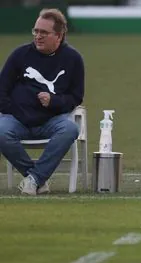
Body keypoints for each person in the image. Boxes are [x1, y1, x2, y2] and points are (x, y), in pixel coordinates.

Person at [0, 8, 84, 195]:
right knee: (1, 130)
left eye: (44, 33)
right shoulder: (20, 55)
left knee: (70, 129)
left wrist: (54, 101)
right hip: (17, 119)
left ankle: (34, 179)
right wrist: (14, 111)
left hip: (51, 121)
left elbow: (76, 96)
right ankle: (37, 178)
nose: (38, 36)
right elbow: (2, 89)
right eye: (36, 31)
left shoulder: (73, 59)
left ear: (59, 35)